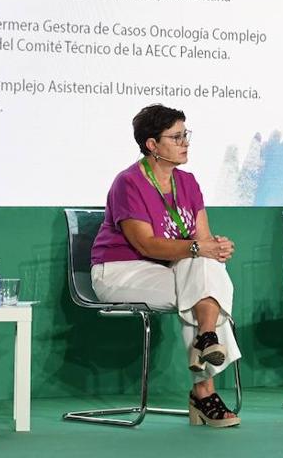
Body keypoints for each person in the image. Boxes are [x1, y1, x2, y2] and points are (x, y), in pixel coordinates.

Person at [89, 104, 241, 427]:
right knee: (199, 285)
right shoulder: (128, 183)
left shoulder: (188, 183)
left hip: (168, 268)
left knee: (205, 271)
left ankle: (206, 340)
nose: (185, 142)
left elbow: (201, 239)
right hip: (120, 269)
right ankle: (204, 388)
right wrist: (202, 248)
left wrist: (215, 247)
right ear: (152, 145)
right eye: (176, 136)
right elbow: (145, 243)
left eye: (186, 134)